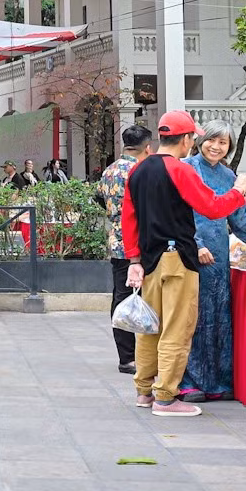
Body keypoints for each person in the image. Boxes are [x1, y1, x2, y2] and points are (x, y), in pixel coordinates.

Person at [121, 110, 246, 417]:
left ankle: (144, 392)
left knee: (149, 329)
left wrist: (134, 260)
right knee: (177, 329)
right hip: (178, 260)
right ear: (186, 139)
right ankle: (166, 398)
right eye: (193, 137)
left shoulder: (138, 171)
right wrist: (239, 191)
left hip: (150, 261)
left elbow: (129, 220)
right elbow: (212, 207)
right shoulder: (181, 170)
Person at [183, 122, 246, 401]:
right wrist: (195, 244)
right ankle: (189, 382)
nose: (216, 146)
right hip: (192, 254)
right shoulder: (187, 169)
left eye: (223, 143)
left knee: (219, 319)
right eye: (212, 140)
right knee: (193, 319)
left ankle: (218, 382)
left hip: (220, 257)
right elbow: (180, 214)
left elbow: (241, 220)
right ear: (202, 141)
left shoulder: (228, 176)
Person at [97, 124, 153, 374]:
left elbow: (99, 198)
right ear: (148, 147)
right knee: (137, 298)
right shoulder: (141, 171)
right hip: (136, 243)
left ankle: (126, 354)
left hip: (115, 240)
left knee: (121, 296)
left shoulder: (110, 170)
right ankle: (131, 356)